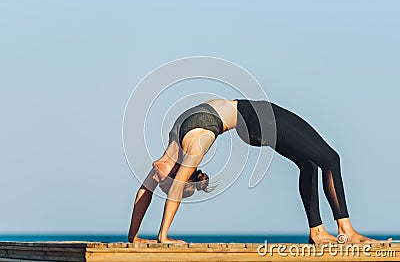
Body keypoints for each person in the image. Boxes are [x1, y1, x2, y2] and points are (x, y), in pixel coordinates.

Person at [128, 99, 375, 244]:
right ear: (178, 174)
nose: (156, 178)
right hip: (257, 119)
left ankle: (317, 231)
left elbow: (144, 194)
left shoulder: (170, 149)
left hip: (254, 119)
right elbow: (176, 190)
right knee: (331, 159)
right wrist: (163, 237)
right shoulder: (194, 146)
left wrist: (134, 238)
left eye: (157, 180)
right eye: (162, 182)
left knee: (308, 164)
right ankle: (346, 230)